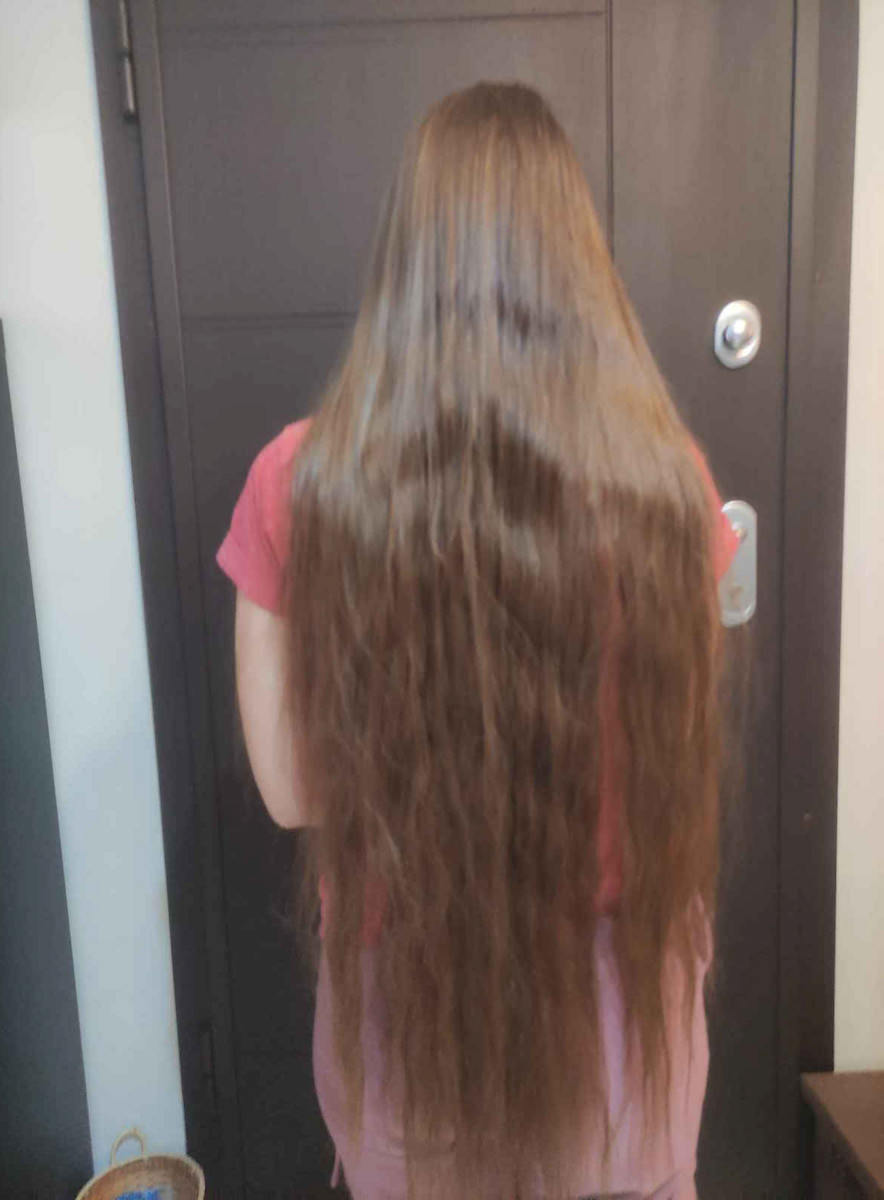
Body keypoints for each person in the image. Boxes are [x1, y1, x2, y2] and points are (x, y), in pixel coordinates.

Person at [217, 82, 740, 1200]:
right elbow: (672, 762)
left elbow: (294, 792)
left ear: (410, 258)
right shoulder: (671, 488)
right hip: (626, 1029)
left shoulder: (304, 484)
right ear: (578, 263)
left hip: (410, 1018)